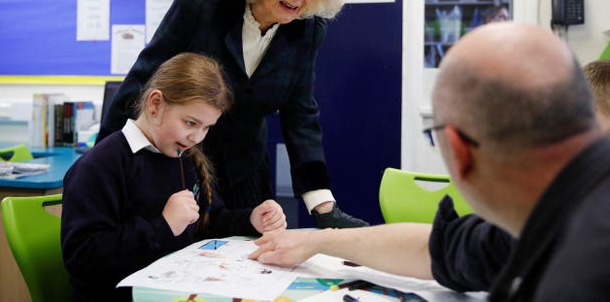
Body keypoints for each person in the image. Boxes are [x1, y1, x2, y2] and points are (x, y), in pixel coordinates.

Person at [253, 22, 610, 300]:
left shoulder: (580, 271)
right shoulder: (544, 215)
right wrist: (318, 242)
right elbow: (436, 247)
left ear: (458, 150)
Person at [96, 0, 368, 228]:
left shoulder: (306, 32)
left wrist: (322, 205)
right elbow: (142, 82)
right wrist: (104, 163)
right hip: (178, 166)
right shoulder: (203, 5)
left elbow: (300, 113)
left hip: (246, 175)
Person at [61, 53, 287, 302]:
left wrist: (251, 219)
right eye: (190, 122)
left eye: (206, 127)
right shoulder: (100, 166)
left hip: (176, 290)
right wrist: (164, 225)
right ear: (155, 104)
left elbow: (207, 221)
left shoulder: (184, 157)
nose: (197, 137)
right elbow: (83, 258)